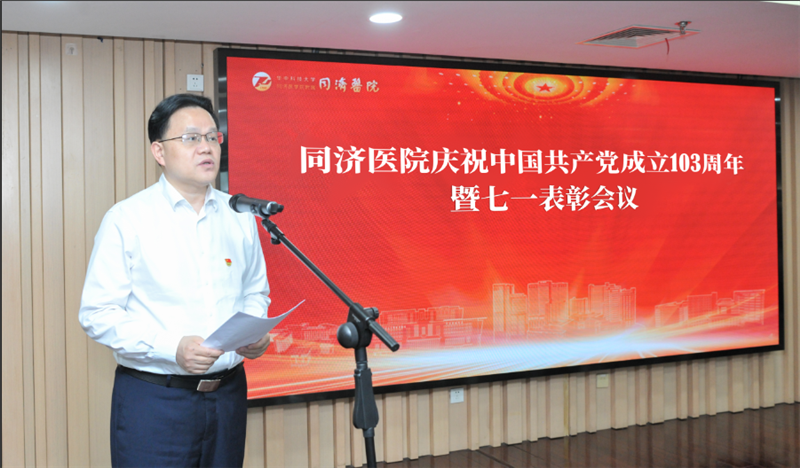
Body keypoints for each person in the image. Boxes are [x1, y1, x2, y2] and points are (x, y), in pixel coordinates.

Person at [79, 93, 271, 467]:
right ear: (159, 151)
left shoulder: (239, 215)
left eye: (213, 137)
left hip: (229, 395)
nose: (206, 147)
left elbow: (254, 291)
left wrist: (252, 330)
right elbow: (97, 314)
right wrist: (173, 347)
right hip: (156, 401)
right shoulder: (127, 219)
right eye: (191, 138)